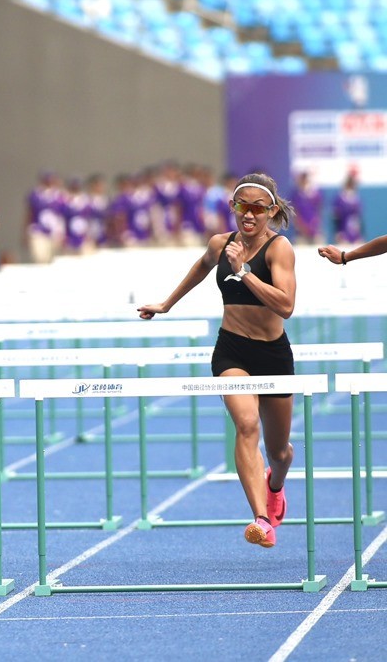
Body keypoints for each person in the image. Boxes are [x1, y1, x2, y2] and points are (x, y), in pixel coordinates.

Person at [138, 172, 296, 549]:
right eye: (243, 206)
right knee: (245, 425)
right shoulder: (220, 244)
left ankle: (275, 483)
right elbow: (200, 267)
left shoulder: (279, 249)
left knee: (280, 450)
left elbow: (286, 306)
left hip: (273, 353)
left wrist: (243, 271)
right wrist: (166, 303)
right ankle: (261, 519)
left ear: (271, 211)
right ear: (232, 208)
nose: (249, 215)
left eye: (258, 208)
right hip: (232, 351)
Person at [332, 170, 363, 244]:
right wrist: (338, 232)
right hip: (343, 232)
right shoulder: (340, 199)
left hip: (355, 233)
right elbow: (336, 218)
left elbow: (358, 218)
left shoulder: (356, 199)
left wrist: (360, 234)